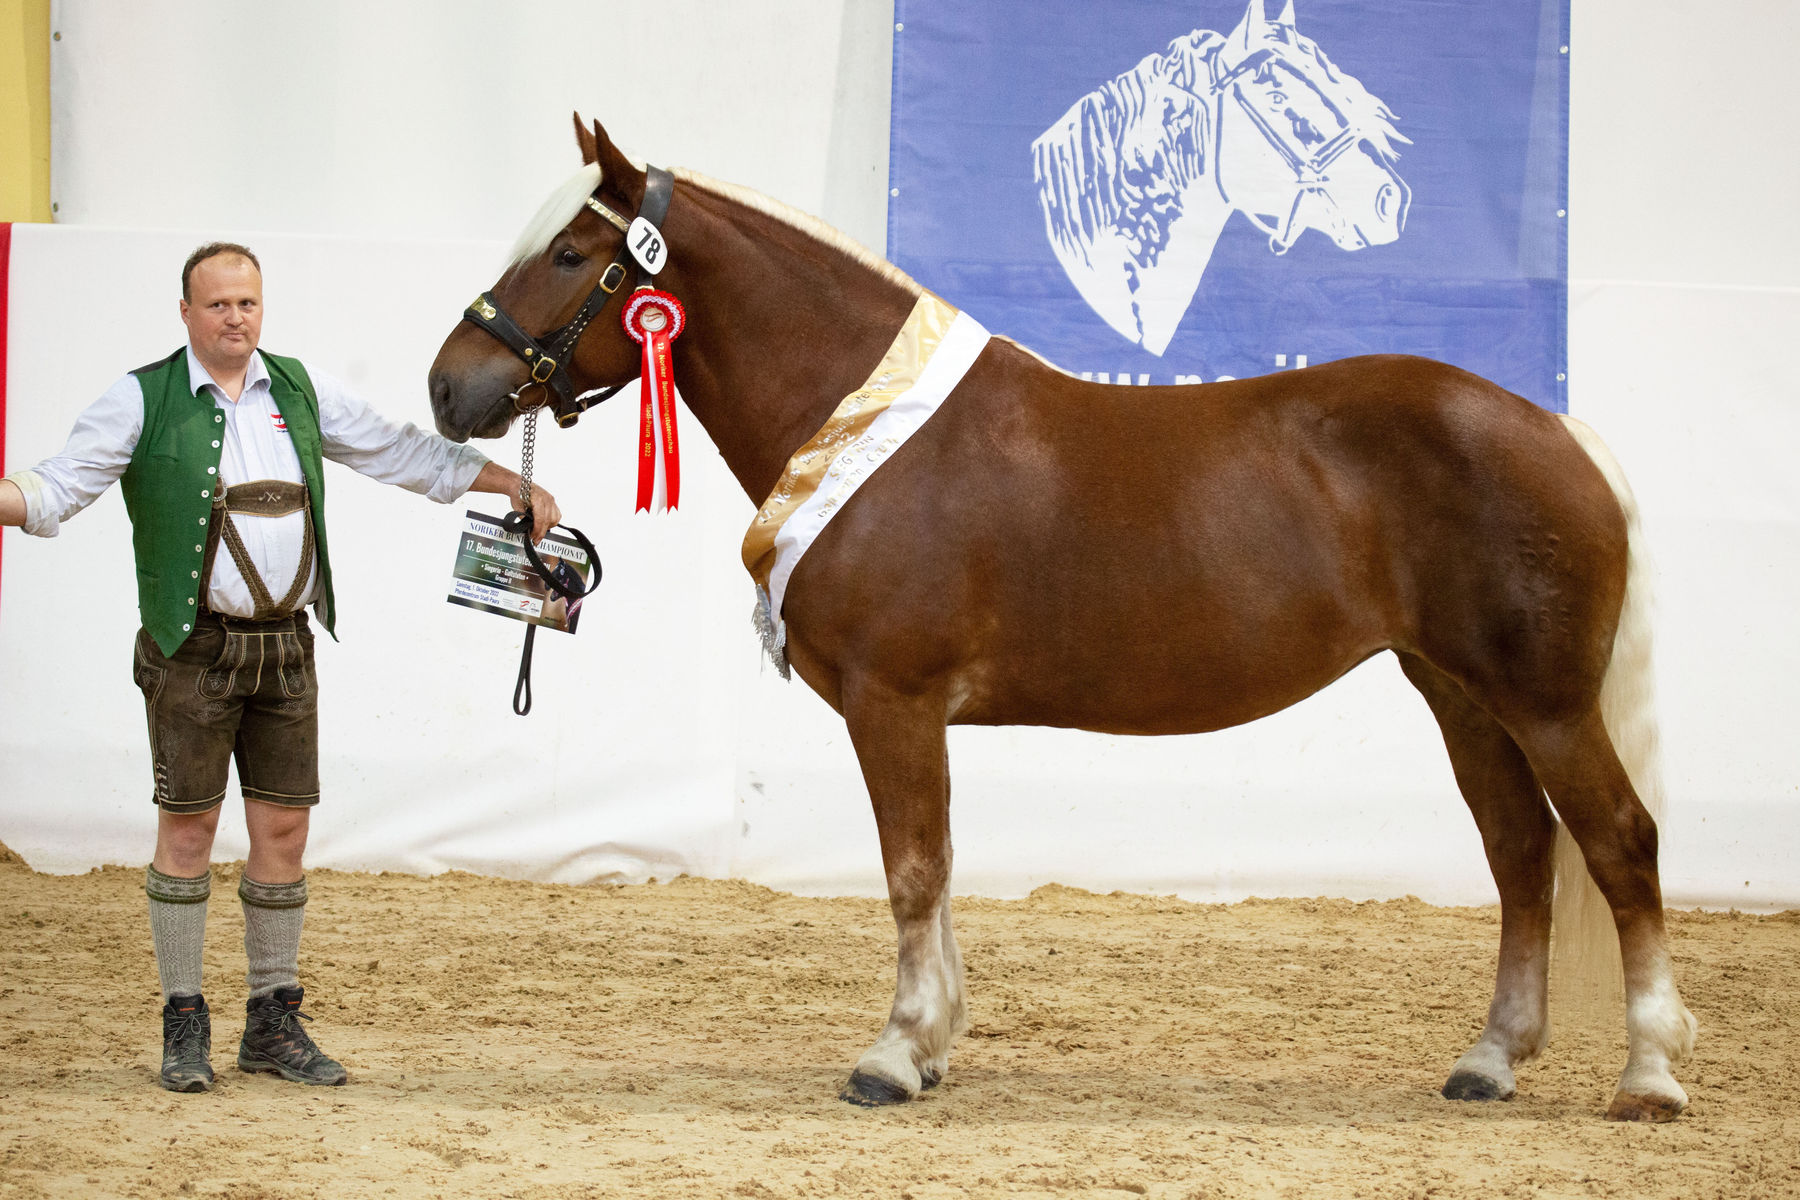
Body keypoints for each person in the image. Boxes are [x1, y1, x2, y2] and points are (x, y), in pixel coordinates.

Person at [0, 242, 560, 1093]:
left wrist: (497, 481)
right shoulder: (140, 397)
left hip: (288, 645)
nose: (236, 318)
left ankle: (271, 1021)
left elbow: (395, 449)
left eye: (248, 304)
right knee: (186, 832)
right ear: (186, 313)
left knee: (284, 834)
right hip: (193, 648)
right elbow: (56, 490)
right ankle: (184, 1019)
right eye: (218, 305)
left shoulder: (296, 387)